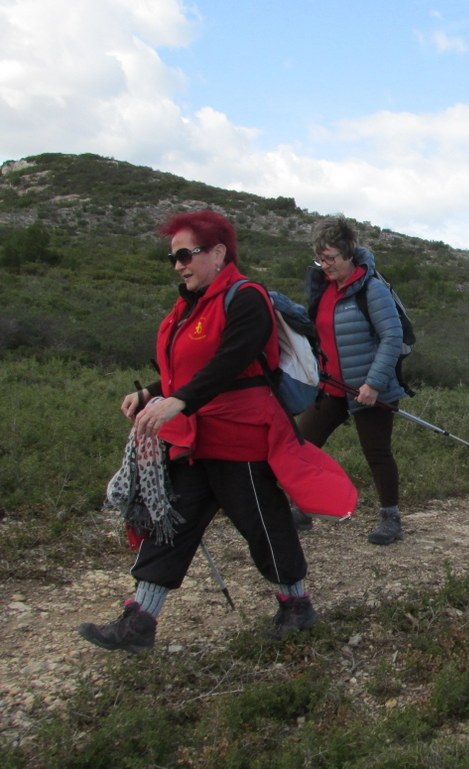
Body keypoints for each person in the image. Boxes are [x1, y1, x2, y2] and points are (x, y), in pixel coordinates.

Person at [79, 210, 358, 652]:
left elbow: (230, 361)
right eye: (174, 258)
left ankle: (297, 605)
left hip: (240, 437)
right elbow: (185, 368)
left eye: (186, 255)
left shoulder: (245, 298)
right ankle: (139, 622)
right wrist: (151, 392)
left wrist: (178, 401)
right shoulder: (188, 305)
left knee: (264, 523)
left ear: (218, 252)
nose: (179, 265)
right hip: (193, 438)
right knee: (170, 525)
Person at [297, 218, 408, 545]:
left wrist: (373, 384)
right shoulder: (322, 288)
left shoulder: (371, 289)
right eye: (320, 258)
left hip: (370, 389)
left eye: (330, 257)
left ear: (349, 254)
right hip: (331, 387)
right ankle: (303, 508)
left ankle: (391, 518)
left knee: (377, 452)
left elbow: (392, 337)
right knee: (301, 442)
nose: (325, 265)